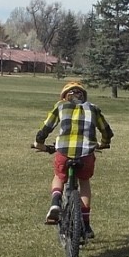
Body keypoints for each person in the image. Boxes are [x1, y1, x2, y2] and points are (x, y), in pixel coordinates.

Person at [33, 80, 113, 240]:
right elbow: (106, 131)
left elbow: (46, 127)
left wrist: (39, 143)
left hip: (63, 151)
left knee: (59, 176)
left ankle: (55, 201)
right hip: (86, 154)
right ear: (83, 96)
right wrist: (104, 144)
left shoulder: (60, 106)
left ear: (64, 97)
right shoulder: (93, 108)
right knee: (84, 182)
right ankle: (86, 222)